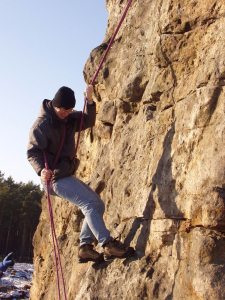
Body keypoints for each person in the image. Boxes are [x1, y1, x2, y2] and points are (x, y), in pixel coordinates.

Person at [27, 85, 135, 263]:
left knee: (97, 204)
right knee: (90, 203)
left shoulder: (68, 119)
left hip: (65, 174)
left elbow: (87, 121)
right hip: (53, 178)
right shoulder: (42, 125)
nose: (65, 113)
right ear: (55, 105)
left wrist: (90, 100)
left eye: (69, 110)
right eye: (63, 109)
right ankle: (107, 243)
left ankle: (85, 247)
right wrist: (41, 170)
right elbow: (33, 152)